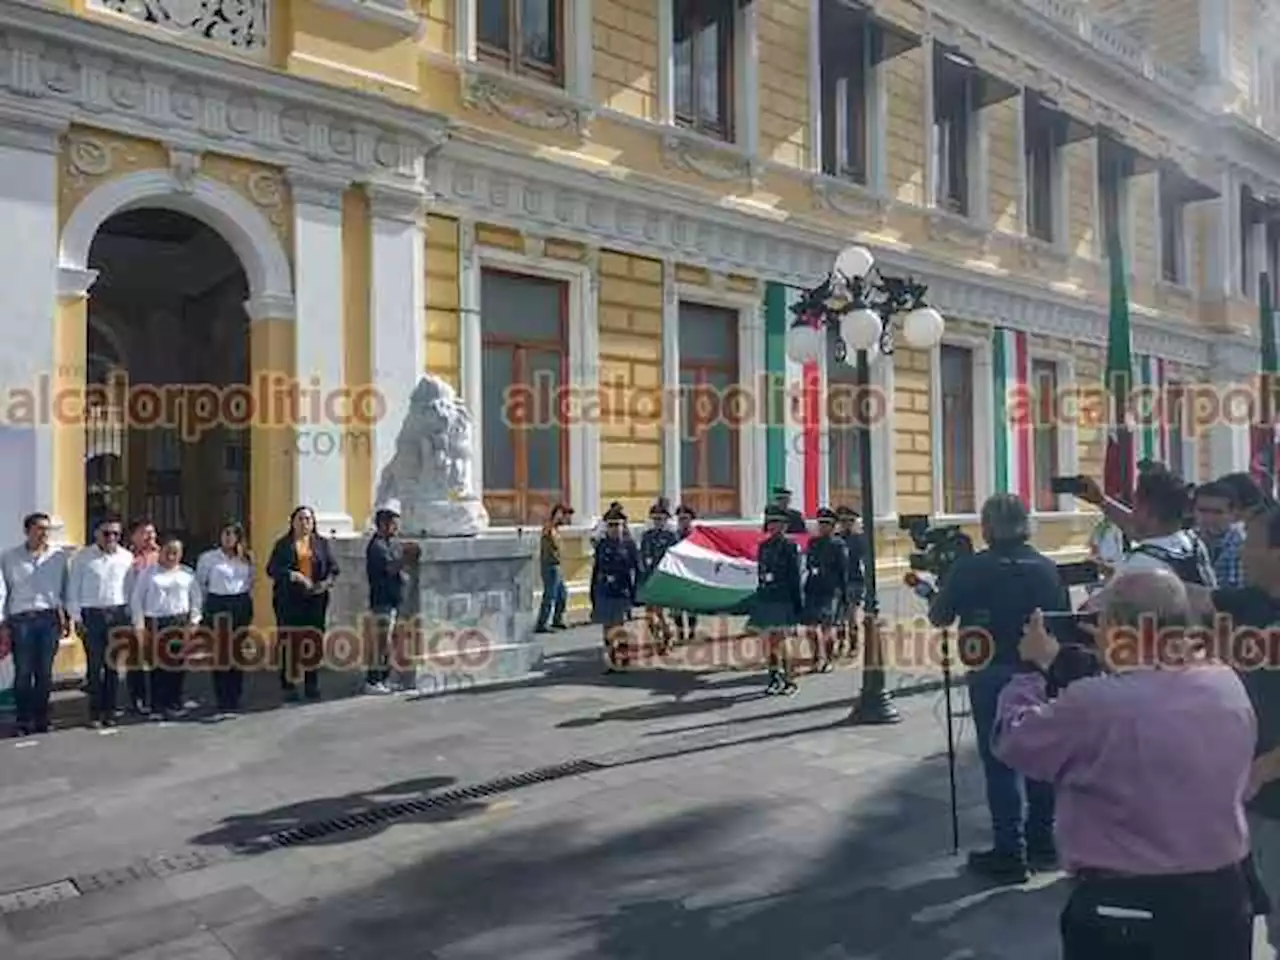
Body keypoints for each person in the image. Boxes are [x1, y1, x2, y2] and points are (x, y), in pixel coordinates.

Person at [996, 568, 1257, 959]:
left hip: (1128, 907)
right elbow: (1151, 686)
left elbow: (1013, 739)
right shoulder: (1225, 683)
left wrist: (1032, 670)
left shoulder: (1096, 703)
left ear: (1117, 628)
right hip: (1222, 897)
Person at [927, 493, 1068, 883]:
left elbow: (940, 615)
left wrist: (937, 589)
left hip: (991, 671)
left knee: (1001, 762)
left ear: (987, 527)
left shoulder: (971, 568)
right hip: (1040, 670)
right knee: (1040, 755)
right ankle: (1043, 842)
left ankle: (1010, 852)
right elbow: (1061, 620)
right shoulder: (1045, 566)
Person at [1202, 503, 1280, 949]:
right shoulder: (1252, 602)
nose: (1242, 554)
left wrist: (1266, 767)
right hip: (1257, 802)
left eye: (1251, 543)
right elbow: (1195, 598)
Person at [1078, 468, 1215, 587]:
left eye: (1135, 505)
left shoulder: (1141, 563)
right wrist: (1101, 501)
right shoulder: (1193, 545)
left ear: (1146, 510)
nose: (1132, 512)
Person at [0, 513, 69, 735]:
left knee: (45, 673)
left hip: (48, 618)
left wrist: (66, 616)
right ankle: (23, 720)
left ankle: (42, 718)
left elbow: (65, 588)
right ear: (27, 530)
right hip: (21, 620)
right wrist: (3, 622)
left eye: (47, 529)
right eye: (39, 528)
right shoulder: (10, 558)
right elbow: (3, 592)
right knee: (23, 672)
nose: (44, 533)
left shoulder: (58, 557)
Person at [266, 505, 339, 703]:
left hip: (315, 600)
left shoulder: (321, 544)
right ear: (293, 522)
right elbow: (271, 569)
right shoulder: (283, 544)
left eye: (308, 519)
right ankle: (288, 685)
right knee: (290, 643)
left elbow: (334, 569)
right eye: (300, 519)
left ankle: (311, 683)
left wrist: (326, 583)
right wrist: (293, 575)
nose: (305, 523)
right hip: (289, 602)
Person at [67, 515, 133, 728]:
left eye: (116, 534)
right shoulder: (82, 558)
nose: (111, 537)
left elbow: (131, 589)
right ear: (96, 534)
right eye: (106, 533)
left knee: (113, 666)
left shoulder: (127, 557)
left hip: (118, 614)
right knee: (95, 667)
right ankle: (95, 712)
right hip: (92, 615)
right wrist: (76, 617)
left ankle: (110, 710)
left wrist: (131, 616)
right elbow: (73, 589)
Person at [130, 536, 202, 721]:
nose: (171, 556)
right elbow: (137, 599)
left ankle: (174, 703)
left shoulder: (187, 573)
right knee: (157, 667)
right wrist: (139, 625)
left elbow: (196, 599)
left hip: (179, 621)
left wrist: (194, 621)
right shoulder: (148, 573)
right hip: (156, 622)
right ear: (160, 551)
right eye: (167, 551)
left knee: (177, 666)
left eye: (175, 552)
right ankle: (157, 706)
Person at [195, 522, 255, 716]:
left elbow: (250, 582)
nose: (228, 537)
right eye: (225, 533)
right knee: (220, 653)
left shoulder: (246, 558)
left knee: (237, 652)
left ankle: (235, 696)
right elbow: (200, 584)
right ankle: (222, 697)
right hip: (217, 604)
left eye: (233, 534)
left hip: (240, 604)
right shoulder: (208, 558)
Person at [749, 504, 802, 695]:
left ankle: (790, 679)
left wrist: (798, 604)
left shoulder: (790, 546)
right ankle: (773, 677)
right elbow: (760, 573)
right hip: (768, 597)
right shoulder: (764, 547)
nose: (774, 527)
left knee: (782, 639)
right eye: (771, 523)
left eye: (778, 523)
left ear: (785, 526)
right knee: (769, 641)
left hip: (783, 598)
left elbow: (795, 576)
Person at [364, 502, 417, 694]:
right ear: (383, 525)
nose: (397, 528)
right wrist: (406, 559)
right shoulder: (376, 547)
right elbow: (390, 568)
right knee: (381, 643)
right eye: (394, 524)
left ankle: (385, 679)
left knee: (389, 643)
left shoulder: (389, 544)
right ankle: (373, 680)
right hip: (382, 601)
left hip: (392, 600)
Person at [591, 505, 638, 671]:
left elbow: (636, 570)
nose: (614, 529)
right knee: (606, 627)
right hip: (604, 590)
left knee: (619, 626)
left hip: (621, 590)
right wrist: (593, 594)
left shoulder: (629, 546)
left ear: (623, 526)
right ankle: (611, 659)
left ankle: (624, 657)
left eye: (617, 525)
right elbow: (596, 570)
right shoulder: (602, 546)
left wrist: (635, 595)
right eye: (610, 525)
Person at [802, 507, 846, 673]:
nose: (823, 527)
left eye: (827, 524)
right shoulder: (813, 543)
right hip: (813, 589)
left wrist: (843, 594)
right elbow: (807, 563)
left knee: (827, 628)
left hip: (830, 591)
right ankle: (815, 657)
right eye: (821, 524)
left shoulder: (838, 545)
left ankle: (827, 659)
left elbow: (843, 570)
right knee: (810, 628)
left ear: (833, 526)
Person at [123, 517, 159, 714]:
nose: (150, 537)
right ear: (134, 536)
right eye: (145, 533)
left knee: (157, 658)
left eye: (152, 533)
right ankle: (137, 698)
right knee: (135, 659)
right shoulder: (125, 557)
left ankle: (157, 698)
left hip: (156, 613)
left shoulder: (161, 556)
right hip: (133, 614)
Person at [638, 499, 678, 653]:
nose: (657, 522)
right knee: (649, 615)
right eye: (655, 519)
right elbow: (642, 555)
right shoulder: (647, 536)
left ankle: (666, 637)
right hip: (649, 578)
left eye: (660, 519)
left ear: (666, 520)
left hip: (663, 579)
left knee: (660, 612)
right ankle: (658, 638)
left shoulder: (671, 537)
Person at [1193, 480, 1245, 589]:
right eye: (1203, 511)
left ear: (1233, 514)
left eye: (1217, 512)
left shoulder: (1244, 546)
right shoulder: (1185, 544)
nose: (1209, 518)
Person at [535, 504, 572, 635]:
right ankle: (542, 623)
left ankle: (557, 619)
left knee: (562, 594)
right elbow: (547, 540)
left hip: (557, 565)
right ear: (558, 514)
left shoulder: (556, 529)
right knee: (550, 595)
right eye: (565, 515)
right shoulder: (549, 528)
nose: (567, 519)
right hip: (550, 566)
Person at [835, 506, 865, 658]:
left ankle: (853, 644)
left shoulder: (859, 539)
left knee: (851, 615)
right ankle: (840, 642)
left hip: (854, 580)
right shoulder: (835, 538)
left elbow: (864, 560)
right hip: (837, 582)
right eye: (843, 521)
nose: (846, 524)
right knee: (839, 616)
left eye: (849, 521)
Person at [672, 505, 698, 644]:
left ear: (691, 519)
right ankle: (680, 633)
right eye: (680, 519)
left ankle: (692, 632)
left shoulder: (696, 536)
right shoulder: (672, 536)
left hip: (692, 575)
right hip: (676, 575)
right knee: (676, 606)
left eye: (685, 518)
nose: (682, 521)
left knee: (691, 607)